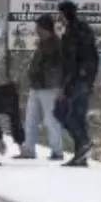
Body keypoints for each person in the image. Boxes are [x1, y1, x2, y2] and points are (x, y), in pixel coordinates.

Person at [14, 14, 65, 161]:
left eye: (38, 27)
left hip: (50, 87)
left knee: (51, 120)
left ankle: (57, 151)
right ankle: (28, 149)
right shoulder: (42, 44)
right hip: (36, 87)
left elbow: (61, 67)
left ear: (45, 28)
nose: (36, 30)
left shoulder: (56, 45)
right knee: (31, 119)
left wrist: (60, 85)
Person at [57, 0, 99, 167]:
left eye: (60, 14)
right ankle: (80, 156)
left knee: (66, 115)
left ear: (66, 14)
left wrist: (66, 84)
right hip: (80, 80)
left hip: (78, 80)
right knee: (78, 117)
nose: (58, 17)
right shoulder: (76, 31)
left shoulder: (75, 33)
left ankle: (84, 142)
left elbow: (73, 62)